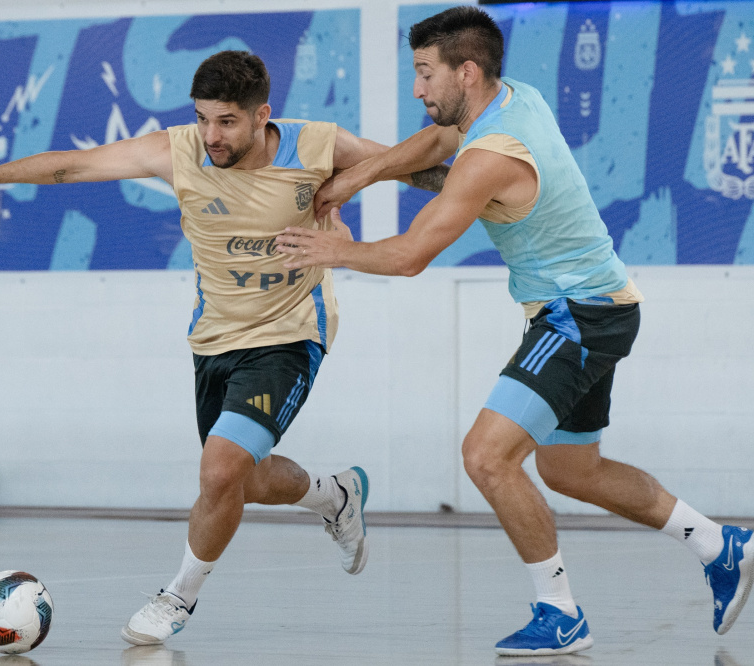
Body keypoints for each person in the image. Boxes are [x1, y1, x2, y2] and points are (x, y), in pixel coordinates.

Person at [275, 6, 754, 657]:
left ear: (466, 73)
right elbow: (437, 142)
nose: (417, 88)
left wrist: (330, 251)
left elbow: (410, 256)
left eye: (425, 73)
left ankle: (560, 612)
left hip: (578, 315)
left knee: (486, 455)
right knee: (571, 469)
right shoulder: (510, 98)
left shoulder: (492, 155)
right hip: (599, 306)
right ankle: (720, 546)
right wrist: (360, 174)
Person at [0, 50, 382, 646]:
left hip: (290, 334)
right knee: (240, 481)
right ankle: (336, 495)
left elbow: (408, 163)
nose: (211, 136)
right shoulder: (179, 151)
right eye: (202, 119)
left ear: (261, 115)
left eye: (226, 122)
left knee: (219, 469)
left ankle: (178, 597)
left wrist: (483, 175)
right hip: (214, 338)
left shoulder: (317, 145)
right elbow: (72, 166)